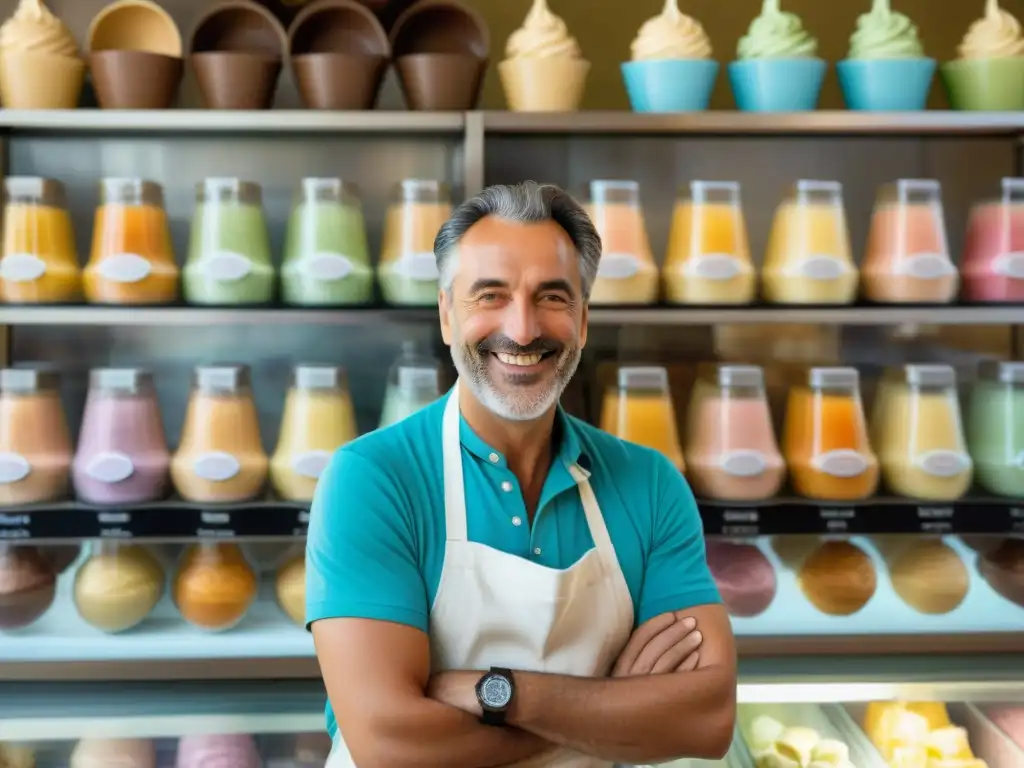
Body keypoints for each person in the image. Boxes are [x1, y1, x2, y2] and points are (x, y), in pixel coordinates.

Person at [306, 181, 737, 767]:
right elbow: (389, 742)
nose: (525, 329)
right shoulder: (374, 480)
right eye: (490, 295)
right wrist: (611, 703)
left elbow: (705, 720)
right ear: (446, 315)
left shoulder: (650, 484)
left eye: (553, 297)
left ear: (583, 321)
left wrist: (498, 694)